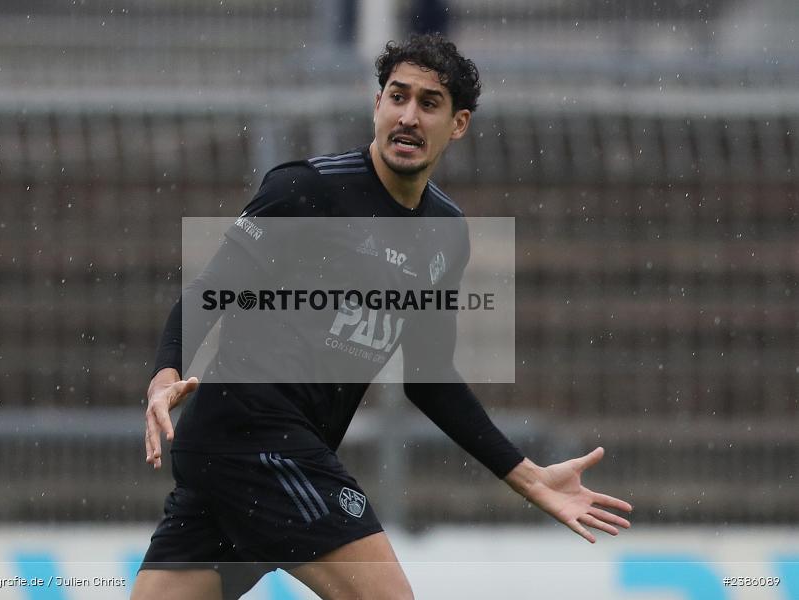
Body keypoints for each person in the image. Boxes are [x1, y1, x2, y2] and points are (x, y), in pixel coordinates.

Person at [132, 33, 632, 600]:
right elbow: (210, 290)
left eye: (429, 103)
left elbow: (428, 377)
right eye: (397, 97)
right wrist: (165, 374)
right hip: (254, 437)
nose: (408, 117)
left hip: (236, 455)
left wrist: (527, 476)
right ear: (377, 106)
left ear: (458, 124)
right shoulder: (307, 190)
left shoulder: (445, 233)